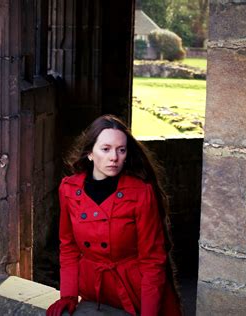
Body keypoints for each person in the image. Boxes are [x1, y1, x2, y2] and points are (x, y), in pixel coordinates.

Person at [46, 115, 182, 316]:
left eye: (121, 150)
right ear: (90, 153)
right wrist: (68, 295)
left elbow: (152, 261)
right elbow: (68, 247)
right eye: (106, 149)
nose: (114, 157)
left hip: (136, 292)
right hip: (94, 289)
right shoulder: (69, 188)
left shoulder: (140, 193)